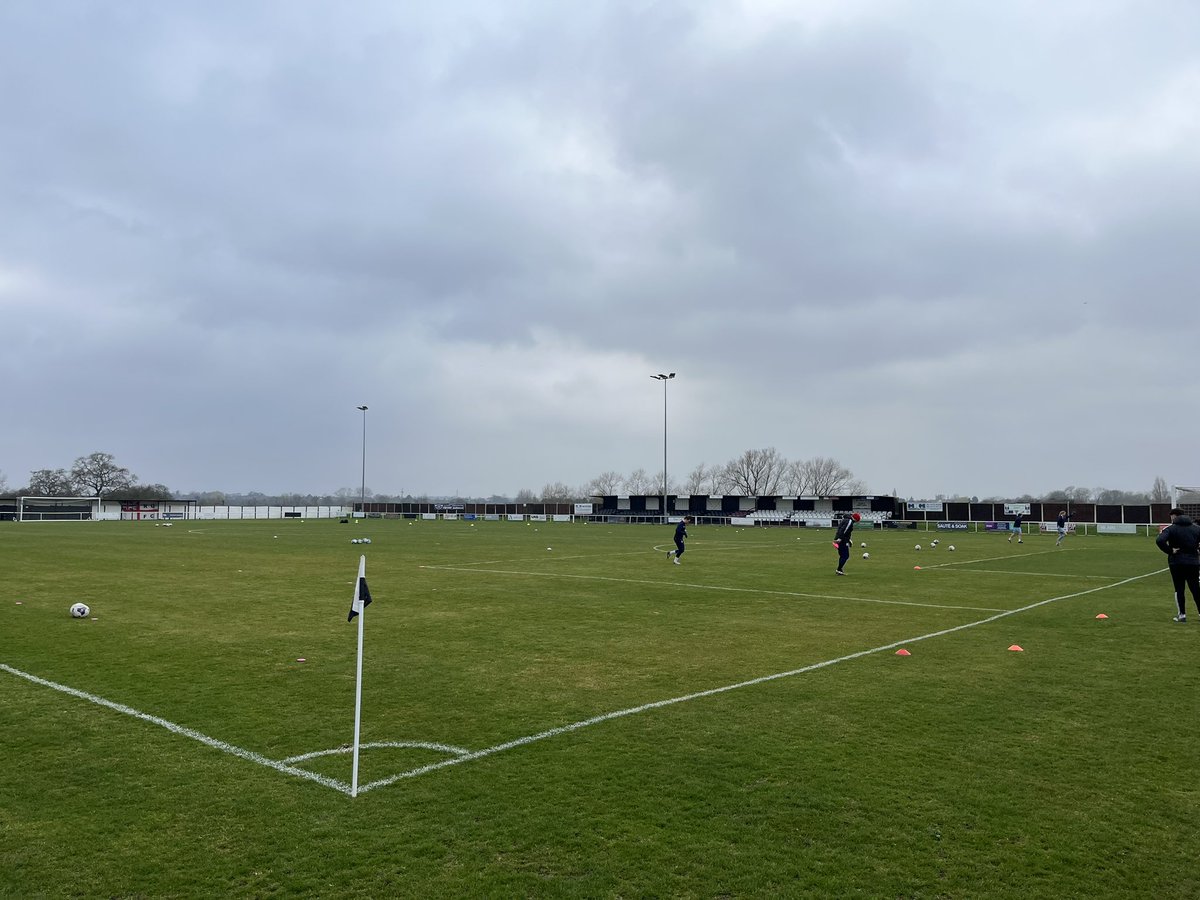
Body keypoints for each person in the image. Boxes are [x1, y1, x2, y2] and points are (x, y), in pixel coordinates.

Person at [1155, 508, 1200, 623]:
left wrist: (1170, 550)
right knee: (1195, 589)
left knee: (1179, 588)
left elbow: (1160, 540)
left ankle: (1182, 615)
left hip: (1176, 562)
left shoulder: (1170, 529)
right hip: (1193, 562)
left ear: (1174, 516)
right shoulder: (1196, 528)